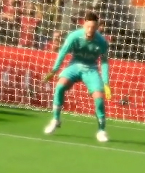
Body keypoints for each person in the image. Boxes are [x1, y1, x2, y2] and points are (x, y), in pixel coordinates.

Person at [43, 11, 111, 142]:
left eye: (93, 27)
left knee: (99, 98)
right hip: (74, 65)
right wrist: (54, 70)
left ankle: (101, 130)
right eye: (88, 26)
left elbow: (104, 62)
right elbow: (63, 52)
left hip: (91, 69)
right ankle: (55, 119)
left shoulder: (102, 41)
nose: (90, 30)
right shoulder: (74, 36)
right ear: (84, 25)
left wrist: (106, 83)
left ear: (97, 27)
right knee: (60, 86)